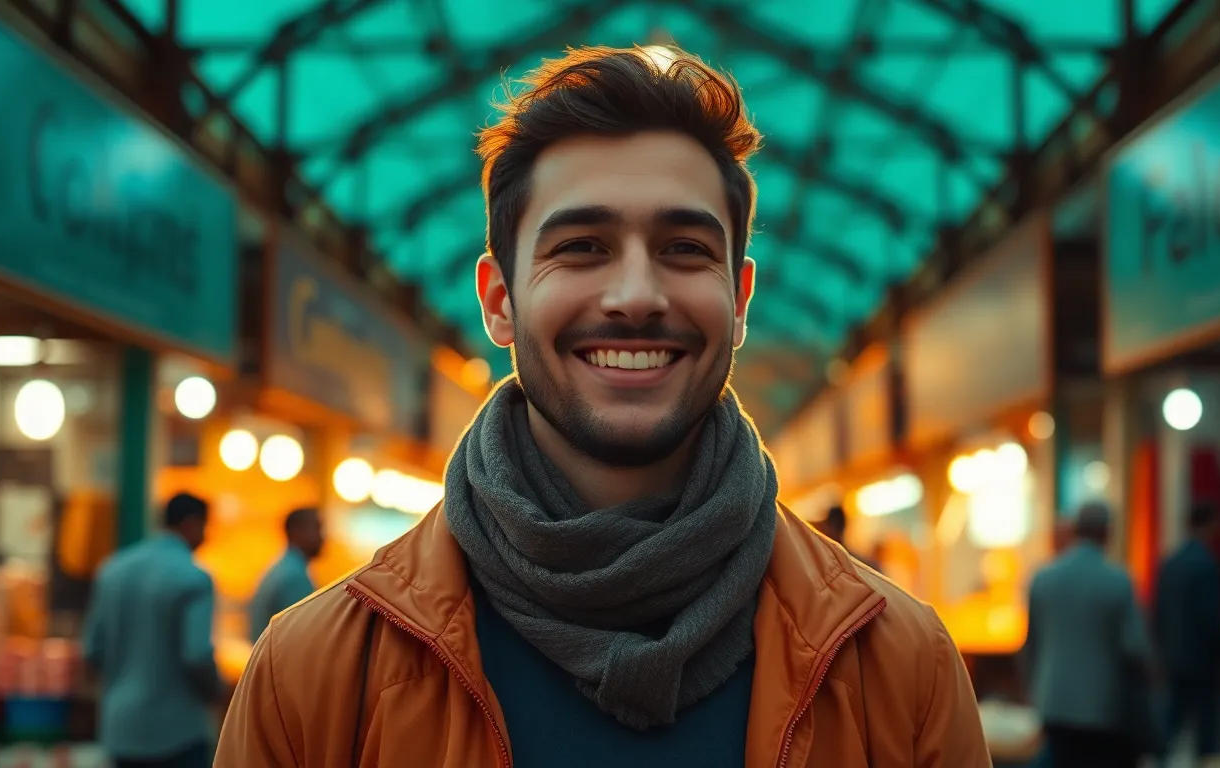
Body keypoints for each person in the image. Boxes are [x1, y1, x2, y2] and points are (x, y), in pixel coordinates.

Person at [216, 45, 989, 767]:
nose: (636, 297)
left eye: (685, 248)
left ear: (741, 298)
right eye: (582, 246)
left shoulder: (903, 669)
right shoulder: (314, 676)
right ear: (499, 301)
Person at [83, 493, 219, 768]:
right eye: (205, 527)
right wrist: (219, 693)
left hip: (121, 729)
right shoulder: (194, 578)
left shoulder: (113, 570)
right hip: (177, 733)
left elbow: (92, 649)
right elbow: (197, 655)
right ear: (191, 524)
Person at [1022, 502, 1153, 768]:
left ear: (1074, 531)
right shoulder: (1117, 580)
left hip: (1053, 700)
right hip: (1102, 705)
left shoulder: (1043, 578)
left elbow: (1030, 646)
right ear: (1107, 533)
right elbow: (1135, 646)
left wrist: (1034, 690)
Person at [1152, 502, 1220, 760]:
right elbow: (1210, 617)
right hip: (1202, 657)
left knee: (1172, 721)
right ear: (1208, 524)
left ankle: (1162, 761)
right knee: (1206, 727)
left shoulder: (1170, 562)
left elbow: (1158, 612)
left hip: (1173, 655)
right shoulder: (1207, 564)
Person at [249, 507, 324, 643]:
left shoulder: (283, 568)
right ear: (296, 531)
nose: (323, 536)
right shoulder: (294, 577)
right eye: (317, 528)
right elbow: (301, 638)